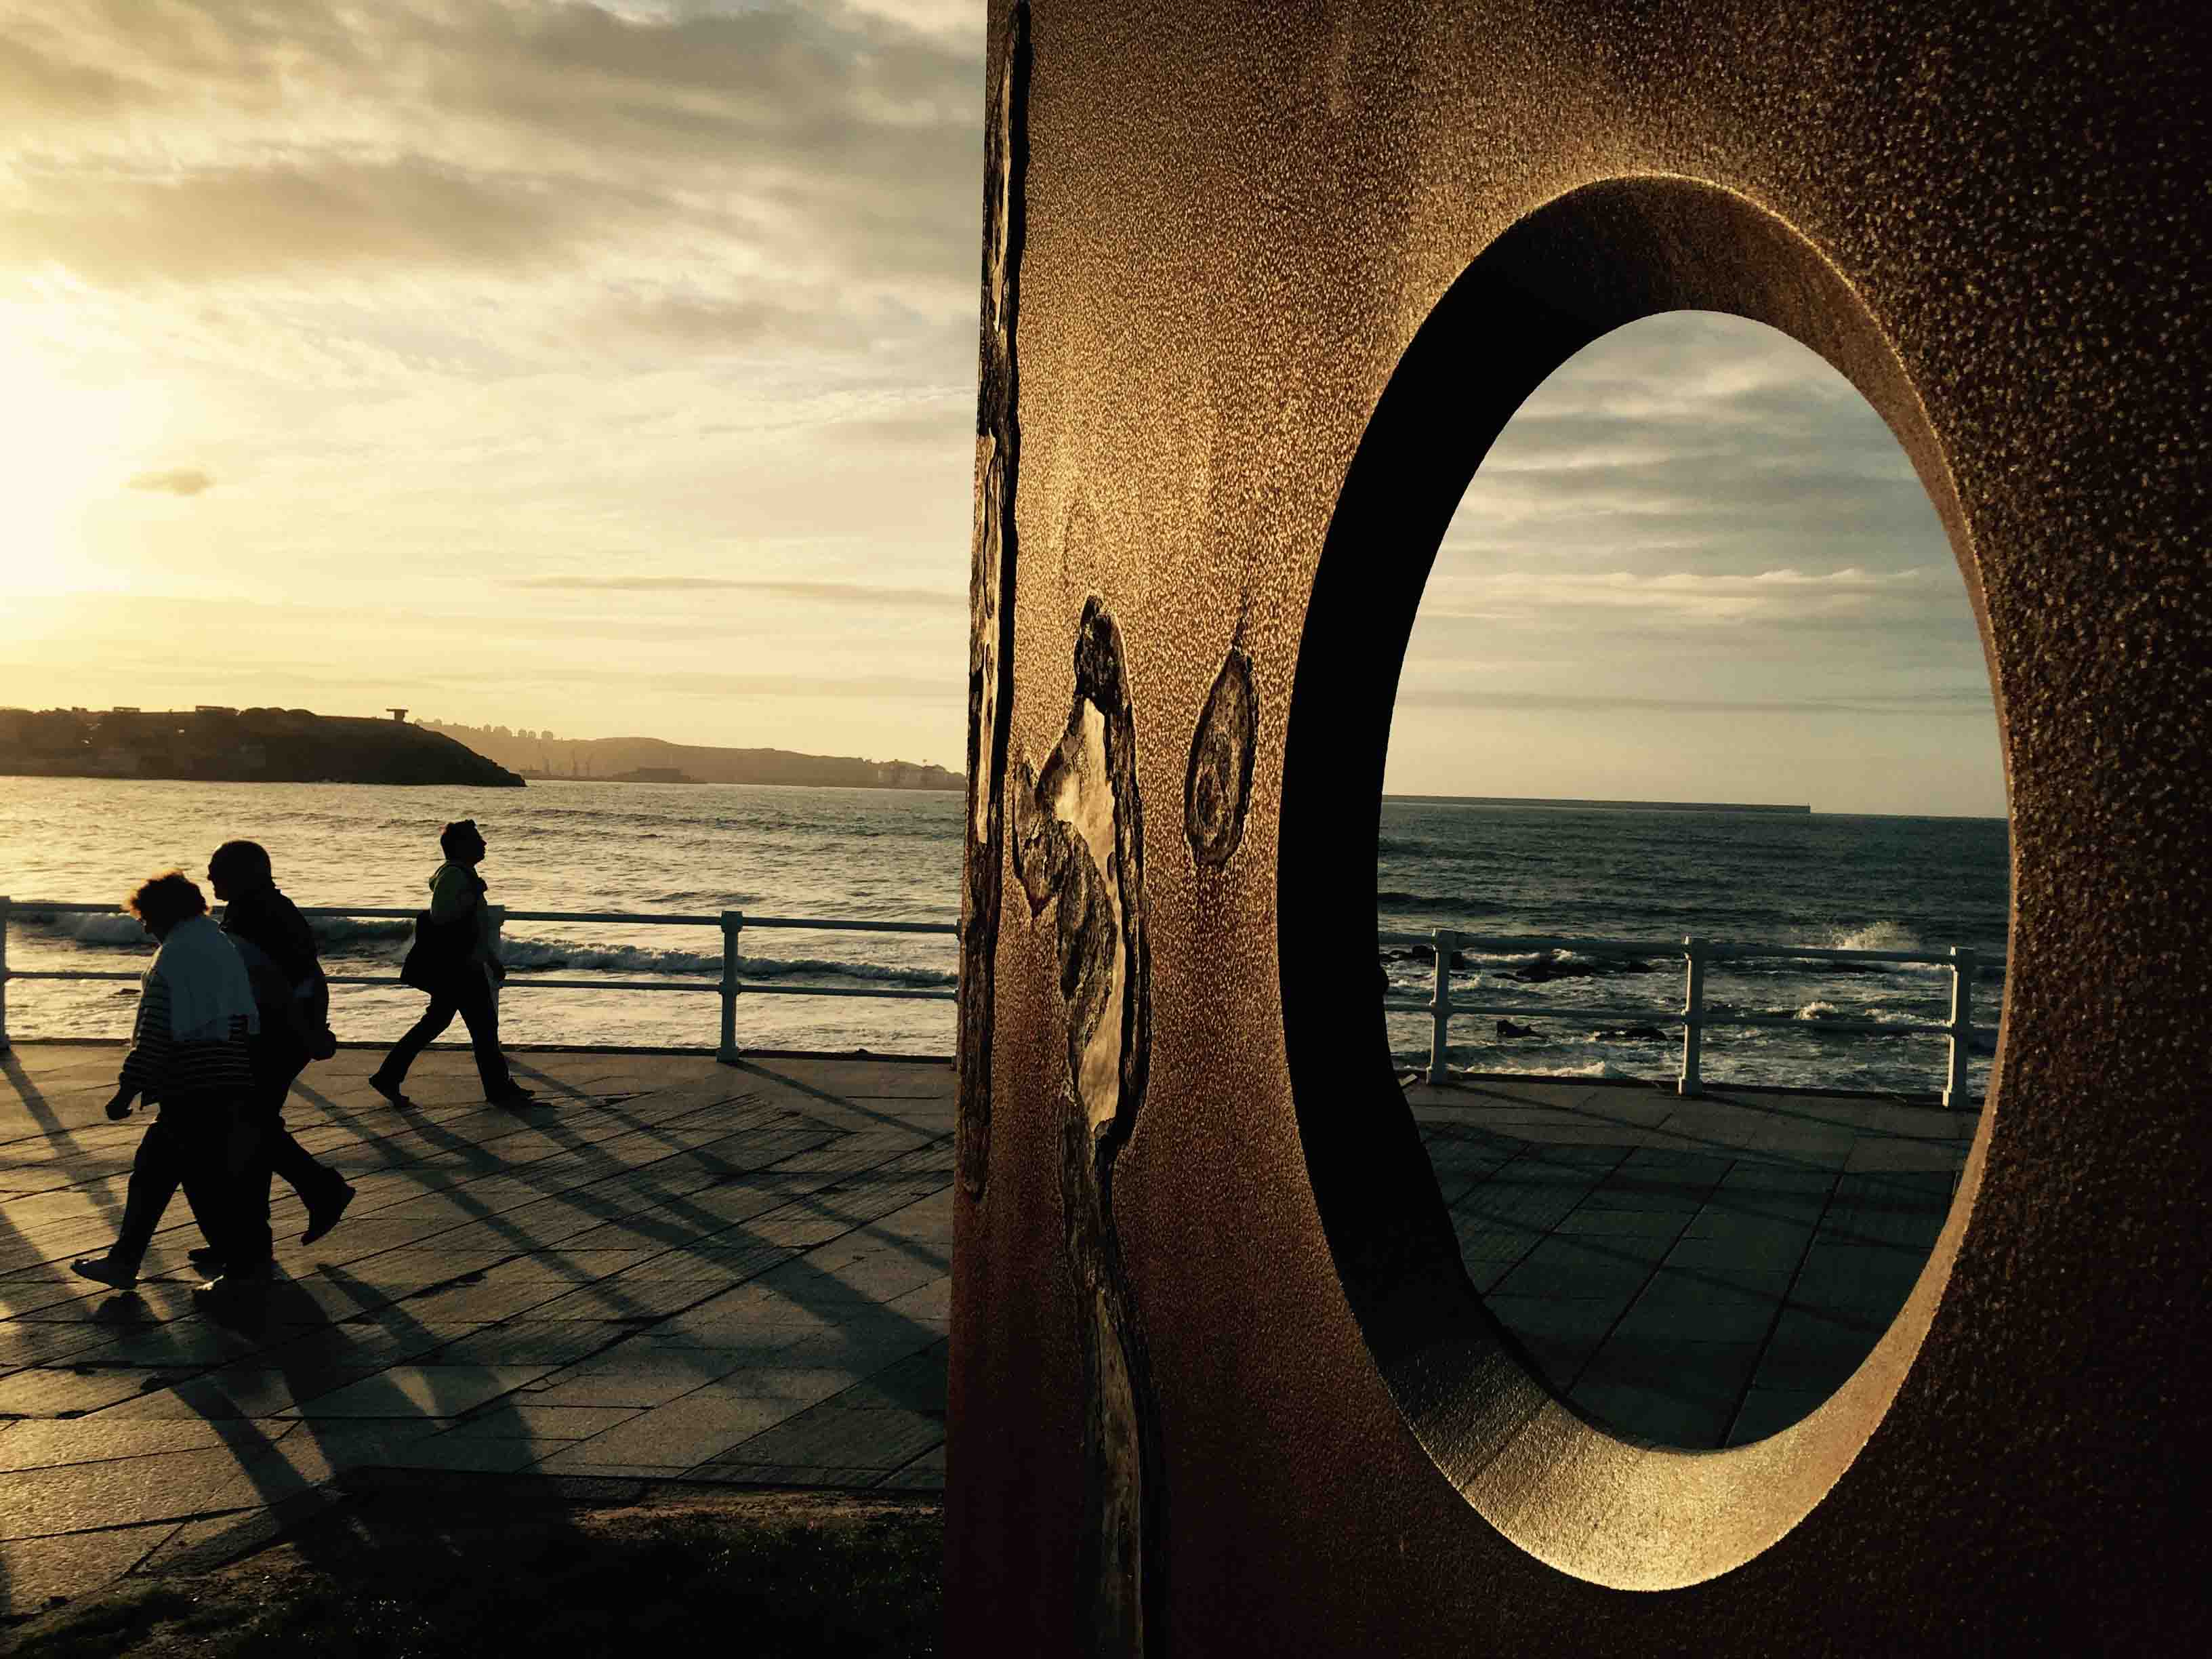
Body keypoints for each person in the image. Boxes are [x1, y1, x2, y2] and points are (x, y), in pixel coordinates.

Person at [71, 871, 273, 1298]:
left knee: (193, 1180)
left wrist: (127, 1089)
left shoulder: (175, 956)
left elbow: (156, 1030)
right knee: (166, 1173)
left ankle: (241, 1272)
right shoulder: (217, 945)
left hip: (192, 1085)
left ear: (161, 914)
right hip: (228, 1078)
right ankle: (128, 1260)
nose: (143, 927)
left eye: (145, 917)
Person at [205, 840, 355, 1263]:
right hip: (282, 1031)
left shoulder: (259, 914)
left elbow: (286, 982)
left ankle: (315, 1194)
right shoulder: (262, 908)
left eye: (218, 868)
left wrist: (307, 1032)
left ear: (246, 873)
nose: (211, 875)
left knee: (248, 1125)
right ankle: (251, 1235)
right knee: (252, 1126)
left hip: (276, 1034)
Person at [369, 819, 539, 1109]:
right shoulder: (455, 877)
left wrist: (491, 959)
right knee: (483, 1027)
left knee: (439, 1022)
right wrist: (473, 894)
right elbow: (442, 916)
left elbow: (473, 927)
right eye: (478, 839)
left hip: (463, 966)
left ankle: (389, 1076)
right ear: (461, 846)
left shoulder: (462, 875)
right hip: (460, 969)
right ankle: (498, 1089)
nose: (484, 844)